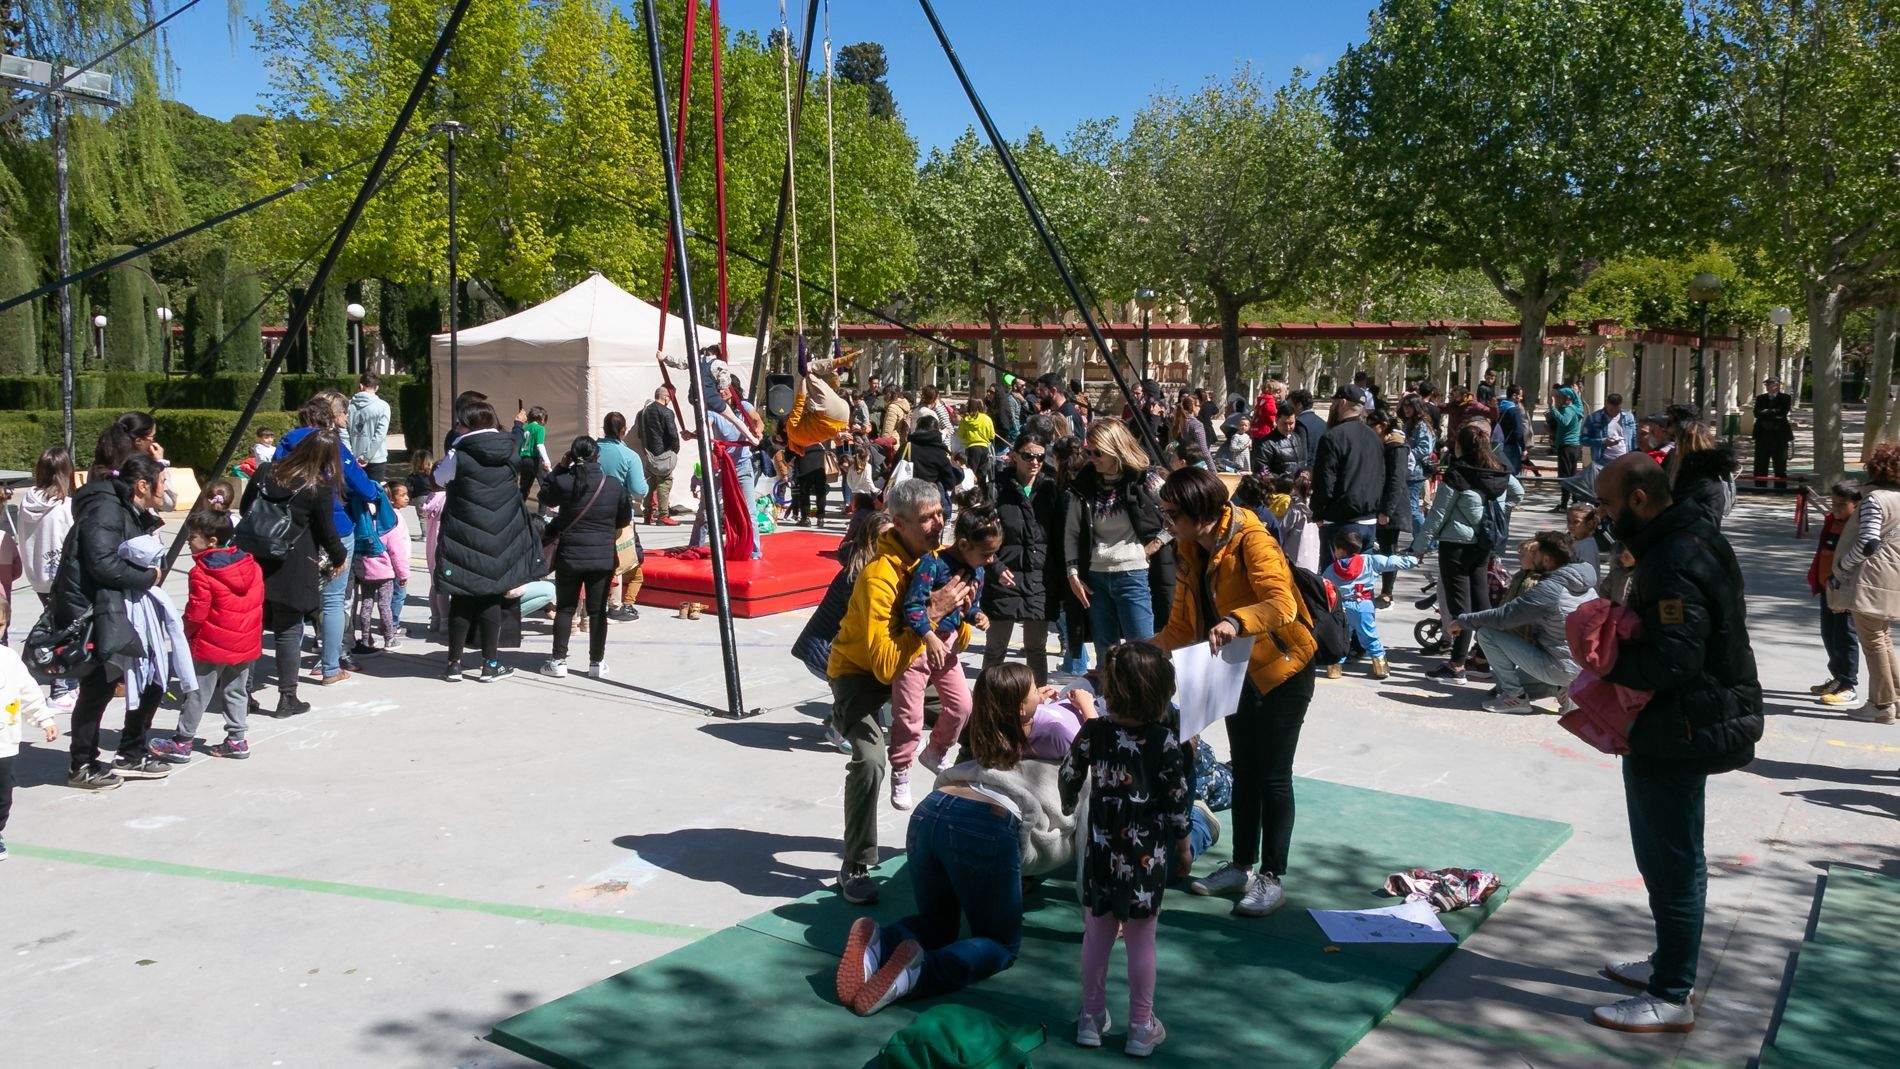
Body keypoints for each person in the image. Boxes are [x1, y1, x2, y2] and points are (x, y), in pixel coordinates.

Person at [1590, 452, 1761, 1034]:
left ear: (1640, 499)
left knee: (1672, 859)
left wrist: (1606, 653)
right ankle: (1668, 964)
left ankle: (1671, 993)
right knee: (1667, 855)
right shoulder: (1683, 538)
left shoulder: (1675, 558)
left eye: (1609, 504)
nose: (1603, 515)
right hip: (1682, 722)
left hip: (1681, 727)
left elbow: (1674, 659)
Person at [834, 663, 1059, 1017]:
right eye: (1034, 690)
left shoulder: (981, 733)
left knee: (937, 924)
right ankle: (918, 975)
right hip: (983, 822)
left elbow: (1012, 713)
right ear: (1019, 708)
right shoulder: (1043, 730)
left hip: (930, 812)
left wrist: (1029, 701)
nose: (1041, 692)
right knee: (1000, 944)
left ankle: (878, 943)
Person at [1155, 467, 1318, 918]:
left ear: (1200, 512)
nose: (1166, 521)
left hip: (1284, 669)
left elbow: (1282, 604)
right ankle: (1242, 865)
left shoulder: (1252, 538)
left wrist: (1235, 621)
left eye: (1173, 513)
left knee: (1272, 775)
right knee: (1243, 769)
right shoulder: (1188, 548)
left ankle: (1272, 876)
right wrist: (1140, 651)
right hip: (1234, 671)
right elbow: (1181, 627)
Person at [827, 479, 971, 904]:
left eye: (940, 513)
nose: (938, 524)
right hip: (860, 675)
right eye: (927, 518)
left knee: (975, 716)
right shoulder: (878, 577)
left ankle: (966, 832)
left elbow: (954, 640)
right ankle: (855, 860)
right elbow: (885, 665)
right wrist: (930, 614)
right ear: (900, 522)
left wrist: (959, 619)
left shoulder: (937, 562)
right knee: (871, 760)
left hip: (914, 664)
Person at [1053, 642, 1189, 1056]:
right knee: (1141, 939)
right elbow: (1177, 798)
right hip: (1146, 860)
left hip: (1100, 852)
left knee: (1096, 934)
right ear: (1160, 695)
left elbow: (1069, 773)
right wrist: (1182, 844)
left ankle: (1091, 1017)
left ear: (1111, 689)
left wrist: (1068, 803)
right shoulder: (1165, 741)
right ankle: (1139, 1025)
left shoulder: (1095, 731)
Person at [52, 453, 176, 790]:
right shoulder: (106, 509)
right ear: (141, 485)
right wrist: (148, 576)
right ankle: (82, 764)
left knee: (150, 678)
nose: (165, 489)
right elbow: (102, 564)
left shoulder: (127, 508)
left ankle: (131, 752)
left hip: (121, 607)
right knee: (98, 688)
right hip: (99, 610)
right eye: (161, 482)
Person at [889, 506, 1001, 810]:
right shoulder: (932, 565)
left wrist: (976, 614)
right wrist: (927, 635)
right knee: (910, 716)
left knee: (963, 705)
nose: (990, 561)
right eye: (986, 553)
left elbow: (968, 604)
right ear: (964, 545)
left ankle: (935, 751)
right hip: (918, 645)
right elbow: (913, 607)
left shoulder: (976, 569)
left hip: (947, 645)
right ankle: (900, 769)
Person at [434, 399, 546, 682]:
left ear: (468, 425)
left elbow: (439, 478)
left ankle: (454, 664)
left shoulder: (458, 453)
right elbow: (517, 437)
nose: (457, 427)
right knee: (491, 600)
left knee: (462, 598)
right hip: (502, 537)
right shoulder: (510, 447)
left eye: (460, 423)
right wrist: (518, 423)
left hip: (465, 535)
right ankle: (490, 663)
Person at [241, 429, 349, 720]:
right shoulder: (318, 488)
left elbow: (245, 509)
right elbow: (327, 533)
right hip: (293, 563)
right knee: (288, 632)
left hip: (253, 560)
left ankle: (244, 694)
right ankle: (287, 698)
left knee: (253, 627)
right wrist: (340, 557)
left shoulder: (265, 472)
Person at [276, 391, 383, 685]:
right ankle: (330, 667)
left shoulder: (286, 443)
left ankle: (288, 669)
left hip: (295, 527)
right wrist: (373, 493)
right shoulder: (331, 444)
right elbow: (362, 486)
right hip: (335, 525)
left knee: (295, 598)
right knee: (334, 599)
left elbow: (273, 478)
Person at [1414, 423, 1525, 682]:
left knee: (1460, 608)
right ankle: (1486, 658)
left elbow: (1437, 515)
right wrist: (1497, 512)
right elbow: (1519, 493)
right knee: (1481, 602)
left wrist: (1419, 547)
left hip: (1456, 546)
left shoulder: (1457, 474)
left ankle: (1456, 665)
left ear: (1460, 445)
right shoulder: (1499, 470)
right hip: (1484, 543)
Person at [150, 511, 263, 762]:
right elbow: (257, 600)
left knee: (197, 692)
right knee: (236, 690)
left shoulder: (202, 572)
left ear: (211, 541)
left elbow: (197, 613)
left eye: (193, 537)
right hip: (245, 641)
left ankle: (182, 740)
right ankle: (237, 739)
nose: (189, 542)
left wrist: (182, 632)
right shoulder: (250, 564)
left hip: (213, 643)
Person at [1451, 532, 1597, 714]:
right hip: (1582, 667)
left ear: (1547, 560)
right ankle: (1565, 690)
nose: (1531, 556)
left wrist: (1461, 621)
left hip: (1561, 666)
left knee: (1487, 634)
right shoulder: (1584, 580)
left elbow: (1502, 617)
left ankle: (1516, 698)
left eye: (1535, 554)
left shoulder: (1550, 589)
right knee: (1499, 690)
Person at [1065, 420, 1165, 663]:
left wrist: (1156, 543)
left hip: (1132, 574)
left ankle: (1151, 700)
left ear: (1115, 449)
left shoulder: (1144, 479)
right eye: (1089, 452)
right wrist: (1072, 572)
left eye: (1098, 452)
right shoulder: (1084, 483)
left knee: (1143, 652)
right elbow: (1072, 532)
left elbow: (1181, 510)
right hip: (1096, 578)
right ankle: (1107, 700)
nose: (1092, 458)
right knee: (1105, 655)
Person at [794, 510, 893, 753]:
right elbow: (865, 624)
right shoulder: (858, 574)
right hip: (822, 651)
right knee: (866, 681)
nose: (893, 543)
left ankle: (839, 716)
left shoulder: (873, 566)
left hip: (832, 647)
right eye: (886, 538)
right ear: (871, 541)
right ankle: (841, 730)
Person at [537, 436, 635, 680]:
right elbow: (623, 519)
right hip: (601, 557)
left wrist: (560, 467)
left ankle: (558, 660)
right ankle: (596, 662)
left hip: (570, 556)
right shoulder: (612, 485)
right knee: (597, 611)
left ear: (572, 456)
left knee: (566, 608)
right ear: (597, 456)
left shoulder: (566, 481)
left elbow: (545, 496)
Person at [1827, 444, 1900, 724]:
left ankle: (1881, 705)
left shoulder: (1875, 499)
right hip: (1892, 576)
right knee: (1882, 638)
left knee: (1873, 642)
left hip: (1871, 578)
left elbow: (1868, 541)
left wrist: (1842, 567)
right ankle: (1895, 699)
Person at [984, 433, 1057, 684]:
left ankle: (1040, 708)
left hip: (1039, 578)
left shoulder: (1050, 488)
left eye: (1039, 457)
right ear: (1014, 456)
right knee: (996, 649)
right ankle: (986, 704)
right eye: (1027, 456)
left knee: (1036, 649)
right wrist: (995, 565)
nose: (1034, 462)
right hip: (1004, 576)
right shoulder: (997, 487)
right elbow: (981, 534)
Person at [16, 445, 77, 708]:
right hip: (61, 576)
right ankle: (62, 688)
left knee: (55, 626)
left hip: (38, 575)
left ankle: (62, 684)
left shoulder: (27, 500)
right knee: (66, 631)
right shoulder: (66, 507)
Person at [1322, 530, 1416, 681]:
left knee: (1341, 639)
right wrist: (1412, 560)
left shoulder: (1331, 569)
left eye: (1336, 548)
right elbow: (1391, 562)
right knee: (1370, 637)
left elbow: (1323, 587)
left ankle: (1334, 669)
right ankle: (1381, 668)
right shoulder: (1370, 561)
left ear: (1341, 549)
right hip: (1364, 606)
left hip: (1342, 609)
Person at [1309, 389, 1386, 568]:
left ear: (1342, 403)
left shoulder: (1332, 437)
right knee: (1362, 582)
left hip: (1340, 522)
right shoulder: (1374, 437)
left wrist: (1318, 512)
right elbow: (1381, 476)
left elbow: (1325, 480)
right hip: (1368, 521)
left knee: (1335, 582)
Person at [1, 642, 60, 854]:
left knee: (3, 796)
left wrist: (44, 718)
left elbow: (28, 692)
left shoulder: (8, 658)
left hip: (4, 744)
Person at [1807, 483, 1862, 707]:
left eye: (1842, 504)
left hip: (1845, 590)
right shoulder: (1832, 521)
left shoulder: (1857, 526)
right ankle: (1838, 677)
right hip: (1827, 588)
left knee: (1845, 635)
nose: (1836, 508)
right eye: (1833, 503)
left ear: (1856, 504)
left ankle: (1849, 685)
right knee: (1828, 634)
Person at [352, 481, 412, 654]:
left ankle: (365, 638)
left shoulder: (364, 523)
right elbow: (397, 552)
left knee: (367, 604)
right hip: (385, 572)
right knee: (384, 605)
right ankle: (389, 638)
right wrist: (403, 574)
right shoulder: (389, 524)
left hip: (366, 571)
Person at [634, 390, 681, 525]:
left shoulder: (643, 412)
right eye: (670, 398)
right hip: (664, 454)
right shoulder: (667, 412)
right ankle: (663, 516)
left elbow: (639, 433)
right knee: (664, 483)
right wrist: (675, 451)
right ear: (666, 397)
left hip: (648, 453)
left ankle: (648, 514)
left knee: (650, 484)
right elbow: (673, 435)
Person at [347, 372, 391, 482]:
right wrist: (366, 457)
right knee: (375, 495)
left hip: (353, 458)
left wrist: (351, 454)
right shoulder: (383, 406)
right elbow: (379, 436)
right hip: (376, 458)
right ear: (377, 388)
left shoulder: (349, 405)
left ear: (360, 386)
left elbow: (344, 432)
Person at [1751, 376, 1794, 488]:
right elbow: (1756, 413)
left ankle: (1780, 488)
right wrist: (1771, 412)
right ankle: (1760, 486)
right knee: (1760, 462)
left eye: (1772, 384)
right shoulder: (1761, 398)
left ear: (1778, 385)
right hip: (1762, 434)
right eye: (1768, 384)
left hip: (1779, 435)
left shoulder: (1785, 398)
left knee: (1780, 463)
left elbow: (1782, 413)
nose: (1770, 386)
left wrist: (1766, 412)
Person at [1582, 392, 1636, 467]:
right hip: (1602, 461)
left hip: (1625, 460)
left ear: (1621, 406)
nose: (1613, 413)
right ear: (1605, 404)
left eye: (1617, 411)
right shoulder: (1593, 418)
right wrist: (1603, 441)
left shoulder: (1628, 417)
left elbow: (1634, 438)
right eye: (1611, 410)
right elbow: (1583, 440)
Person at [958, 398, 997, 498]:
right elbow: (992, 435)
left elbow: (960, 435)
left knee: (970, 474)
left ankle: (970, 498)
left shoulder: (965, 420)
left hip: (971, 448)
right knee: (982, 475)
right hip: (984, 449)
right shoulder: (987, 419)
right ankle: (985, 498)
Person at [1252, 407, 1305, 479]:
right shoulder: (1266, 444)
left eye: (1291, 423)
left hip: (1297, 488)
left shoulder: (1296, 438)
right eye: (1284, 423)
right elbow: (1261, 472)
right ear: (1276, 420)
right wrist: (1282, 479)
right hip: (1278, 488)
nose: (1288, 427)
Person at [1496, 384, 1532, 475]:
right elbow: (1518, 431)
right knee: (1513, 474)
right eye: (1520, 395)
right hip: (1511, 445)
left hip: (1498, 444)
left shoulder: (1499, 407)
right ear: (1514, 396)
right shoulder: (1514, 410)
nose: (1521, 398)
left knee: (1502, 472)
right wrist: (1523, 448)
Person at [517, 405, 551, 499]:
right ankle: (542, 512)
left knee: (524, 487)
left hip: (523, 460)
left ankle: (519, 508)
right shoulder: (539, 428)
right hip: (534, 459)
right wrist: (547, 460)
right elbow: (540, 445)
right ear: (542, 419)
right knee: (545, 485)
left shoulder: (524, 427)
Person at [1287, 388, 1326, 466]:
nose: (1288, 409)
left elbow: (1300, 452)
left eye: (1290, 405)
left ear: (1299, 405)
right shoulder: (1323, 422)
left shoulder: (1299, 423)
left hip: (1307, 470)